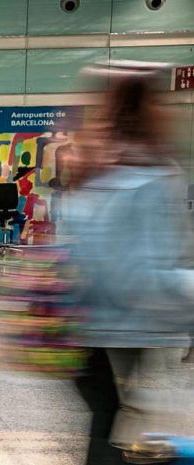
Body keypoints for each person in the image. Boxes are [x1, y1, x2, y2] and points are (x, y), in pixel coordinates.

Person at [63, 68, 194, 465]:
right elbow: (140, 274)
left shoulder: (94, 165)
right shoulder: (150, 175)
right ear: (146, 107)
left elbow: (78, 247)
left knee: (107, 421)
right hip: (122, 327)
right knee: (114, 426)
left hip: (80, 323)